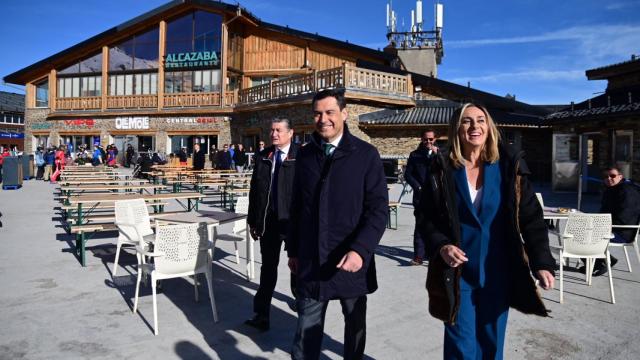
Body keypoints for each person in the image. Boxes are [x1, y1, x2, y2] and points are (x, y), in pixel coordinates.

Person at [418, 103, 555, 359]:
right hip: (458, 272)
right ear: (457, 129)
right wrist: (441, 245)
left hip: (498, 270)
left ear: (489, 127)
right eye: (467, 121)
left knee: (491, 344)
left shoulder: (508, 166)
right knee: (461, 345)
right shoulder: (442, 167)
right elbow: (425, 216)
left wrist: (542, 261)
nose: (475, 126)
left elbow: (531, 218)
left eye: (481, 120)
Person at [288, 89, 388, 359]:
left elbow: (378, 211)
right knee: (305, 332)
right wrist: (293, 251)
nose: (323, 119)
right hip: (311, 260)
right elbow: (297, 207)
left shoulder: (366, 155)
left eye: (330, 112)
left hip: (350, 258)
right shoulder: (306, 155)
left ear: (344, 114)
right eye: (318, 113)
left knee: (354, 327)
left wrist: (360, 250)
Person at [245, 118, 299, 331]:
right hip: (269, 223)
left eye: (278, 130)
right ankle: (261, 314)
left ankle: (301, 305)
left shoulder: (301, 157)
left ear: (290, 133)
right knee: (268, 268)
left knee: (298, 267)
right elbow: (254, 191)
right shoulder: (263, 156)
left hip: (293, 223)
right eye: (272, 130)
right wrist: (253, 220)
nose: (274, 134)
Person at [584, 166, 640, 276]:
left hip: (624, 232)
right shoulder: (612, 189)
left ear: (620, 176)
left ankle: (602, 262)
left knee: (584, 235)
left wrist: (601, 226)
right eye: (606, 176)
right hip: (613, 227)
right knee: (581, 230)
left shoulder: (627, 191)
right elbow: (604, 212)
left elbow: (625, 216)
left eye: (612, 176)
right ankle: (603, 261)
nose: (609, 178)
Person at [404, 129, 439, 265]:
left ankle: (433, 254)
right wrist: (417, 187)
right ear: (421, 139)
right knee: (420, 226)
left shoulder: (440, 154)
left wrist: (438, 156)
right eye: (425, 139)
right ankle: (418, 256)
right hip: (421, 197)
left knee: (436, 226)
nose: (428, 142)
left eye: (430, 139)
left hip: (437, 197)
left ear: (435, 139)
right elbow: (408, 174)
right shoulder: (414, 155)